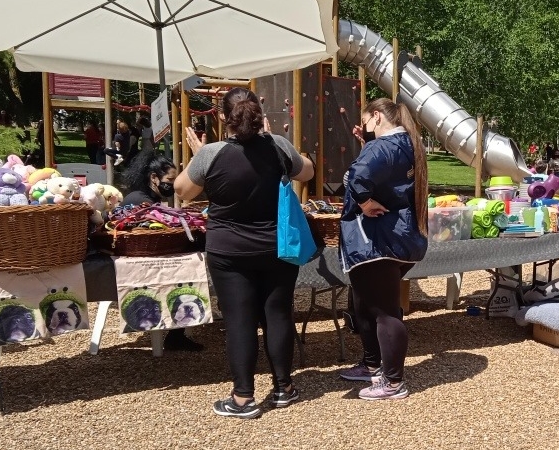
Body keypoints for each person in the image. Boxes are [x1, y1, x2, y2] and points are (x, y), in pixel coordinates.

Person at [174, 87, 315, 419]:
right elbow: (306, 171)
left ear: (224, 117)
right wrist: (274, 140)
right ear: (258, 114)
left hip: (229, 250)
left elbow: (182, 191)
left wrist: (199, 157)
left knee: (240, 320)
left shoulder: (211, 153)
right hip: (276, 246)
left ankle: (243, 398)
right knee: (278, 314)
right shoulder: (278, 146)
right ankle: (283, 388)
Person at [337, 97, 428, 400]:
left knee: (385, 311)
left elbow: (357, 177)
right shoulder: (408, 144)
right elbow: (381, 172)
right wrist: (367, 144)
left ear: (376, 117)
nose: (365, 127)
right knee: (366, 303)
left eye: (365, 122)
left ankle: (392, 382)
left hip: (377, 239)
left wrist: (363, 201)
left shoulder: (382, 147)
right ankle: (373, 364)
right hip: (400, 237)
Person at [121, 151, 204, 352]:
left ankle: (178, 333)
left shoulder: (145, 198)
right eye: (170, 179)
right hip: (139, 265)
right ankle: (176, 334)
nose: (173, 185)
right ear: (153, 177)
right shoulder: (142, 201)